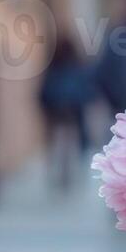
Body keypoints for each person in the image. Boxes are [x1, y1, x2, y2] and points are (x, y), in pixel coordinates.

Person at [38, 35, 96, 192]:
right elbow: (86, 89)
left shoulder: (53, 67)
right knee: (71, 145)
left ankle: (59, 176)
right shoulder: (77, 66)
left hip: (56, 114)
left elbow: (43, 92)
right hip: (72, 114)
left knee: (57, 145)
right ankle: (67, 176)